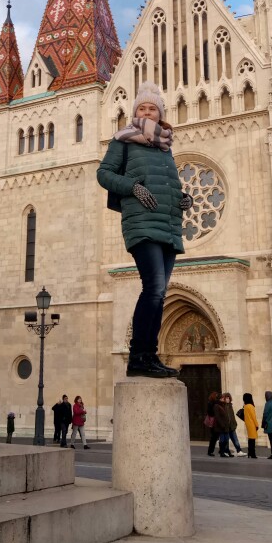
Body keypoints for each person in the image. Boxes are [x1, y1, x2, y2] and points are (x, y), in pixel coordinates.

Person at [97, 82, 193, 378]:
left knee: (160, 292)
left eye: (152, 108)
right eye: (142, 107)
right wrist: (133, 188)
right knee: (153, 288)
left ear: (160, 113)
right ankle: (138, 356)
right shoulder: (123, 141)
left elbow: (166, 184)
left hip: (168, 225)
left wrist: (182, 198)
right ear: (134, 111)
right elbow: (104, 174)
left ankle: (148, 355)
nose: (147, 111)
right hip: (141, 223)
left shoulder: (165, 146)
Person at [241, 393, 259, 459]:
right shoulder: (251, 406)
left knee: (250, 439)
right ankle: (252, 454)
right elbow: (253, 417)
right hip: (252, 424)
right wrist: (257, 425)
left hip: (248, 424)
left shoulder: (245, 406)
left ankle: (249, 453)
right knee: (252, 440)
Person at [205, 391, 220, 457]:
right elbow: (210, 412)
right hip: (213, 422)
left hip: (214, 422)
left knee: (215, 437)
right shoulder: (212, 403)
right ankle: (210, 451)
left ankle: (211, 451)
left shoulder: (213, 403)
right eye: (216, 396)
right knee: (214, 437)